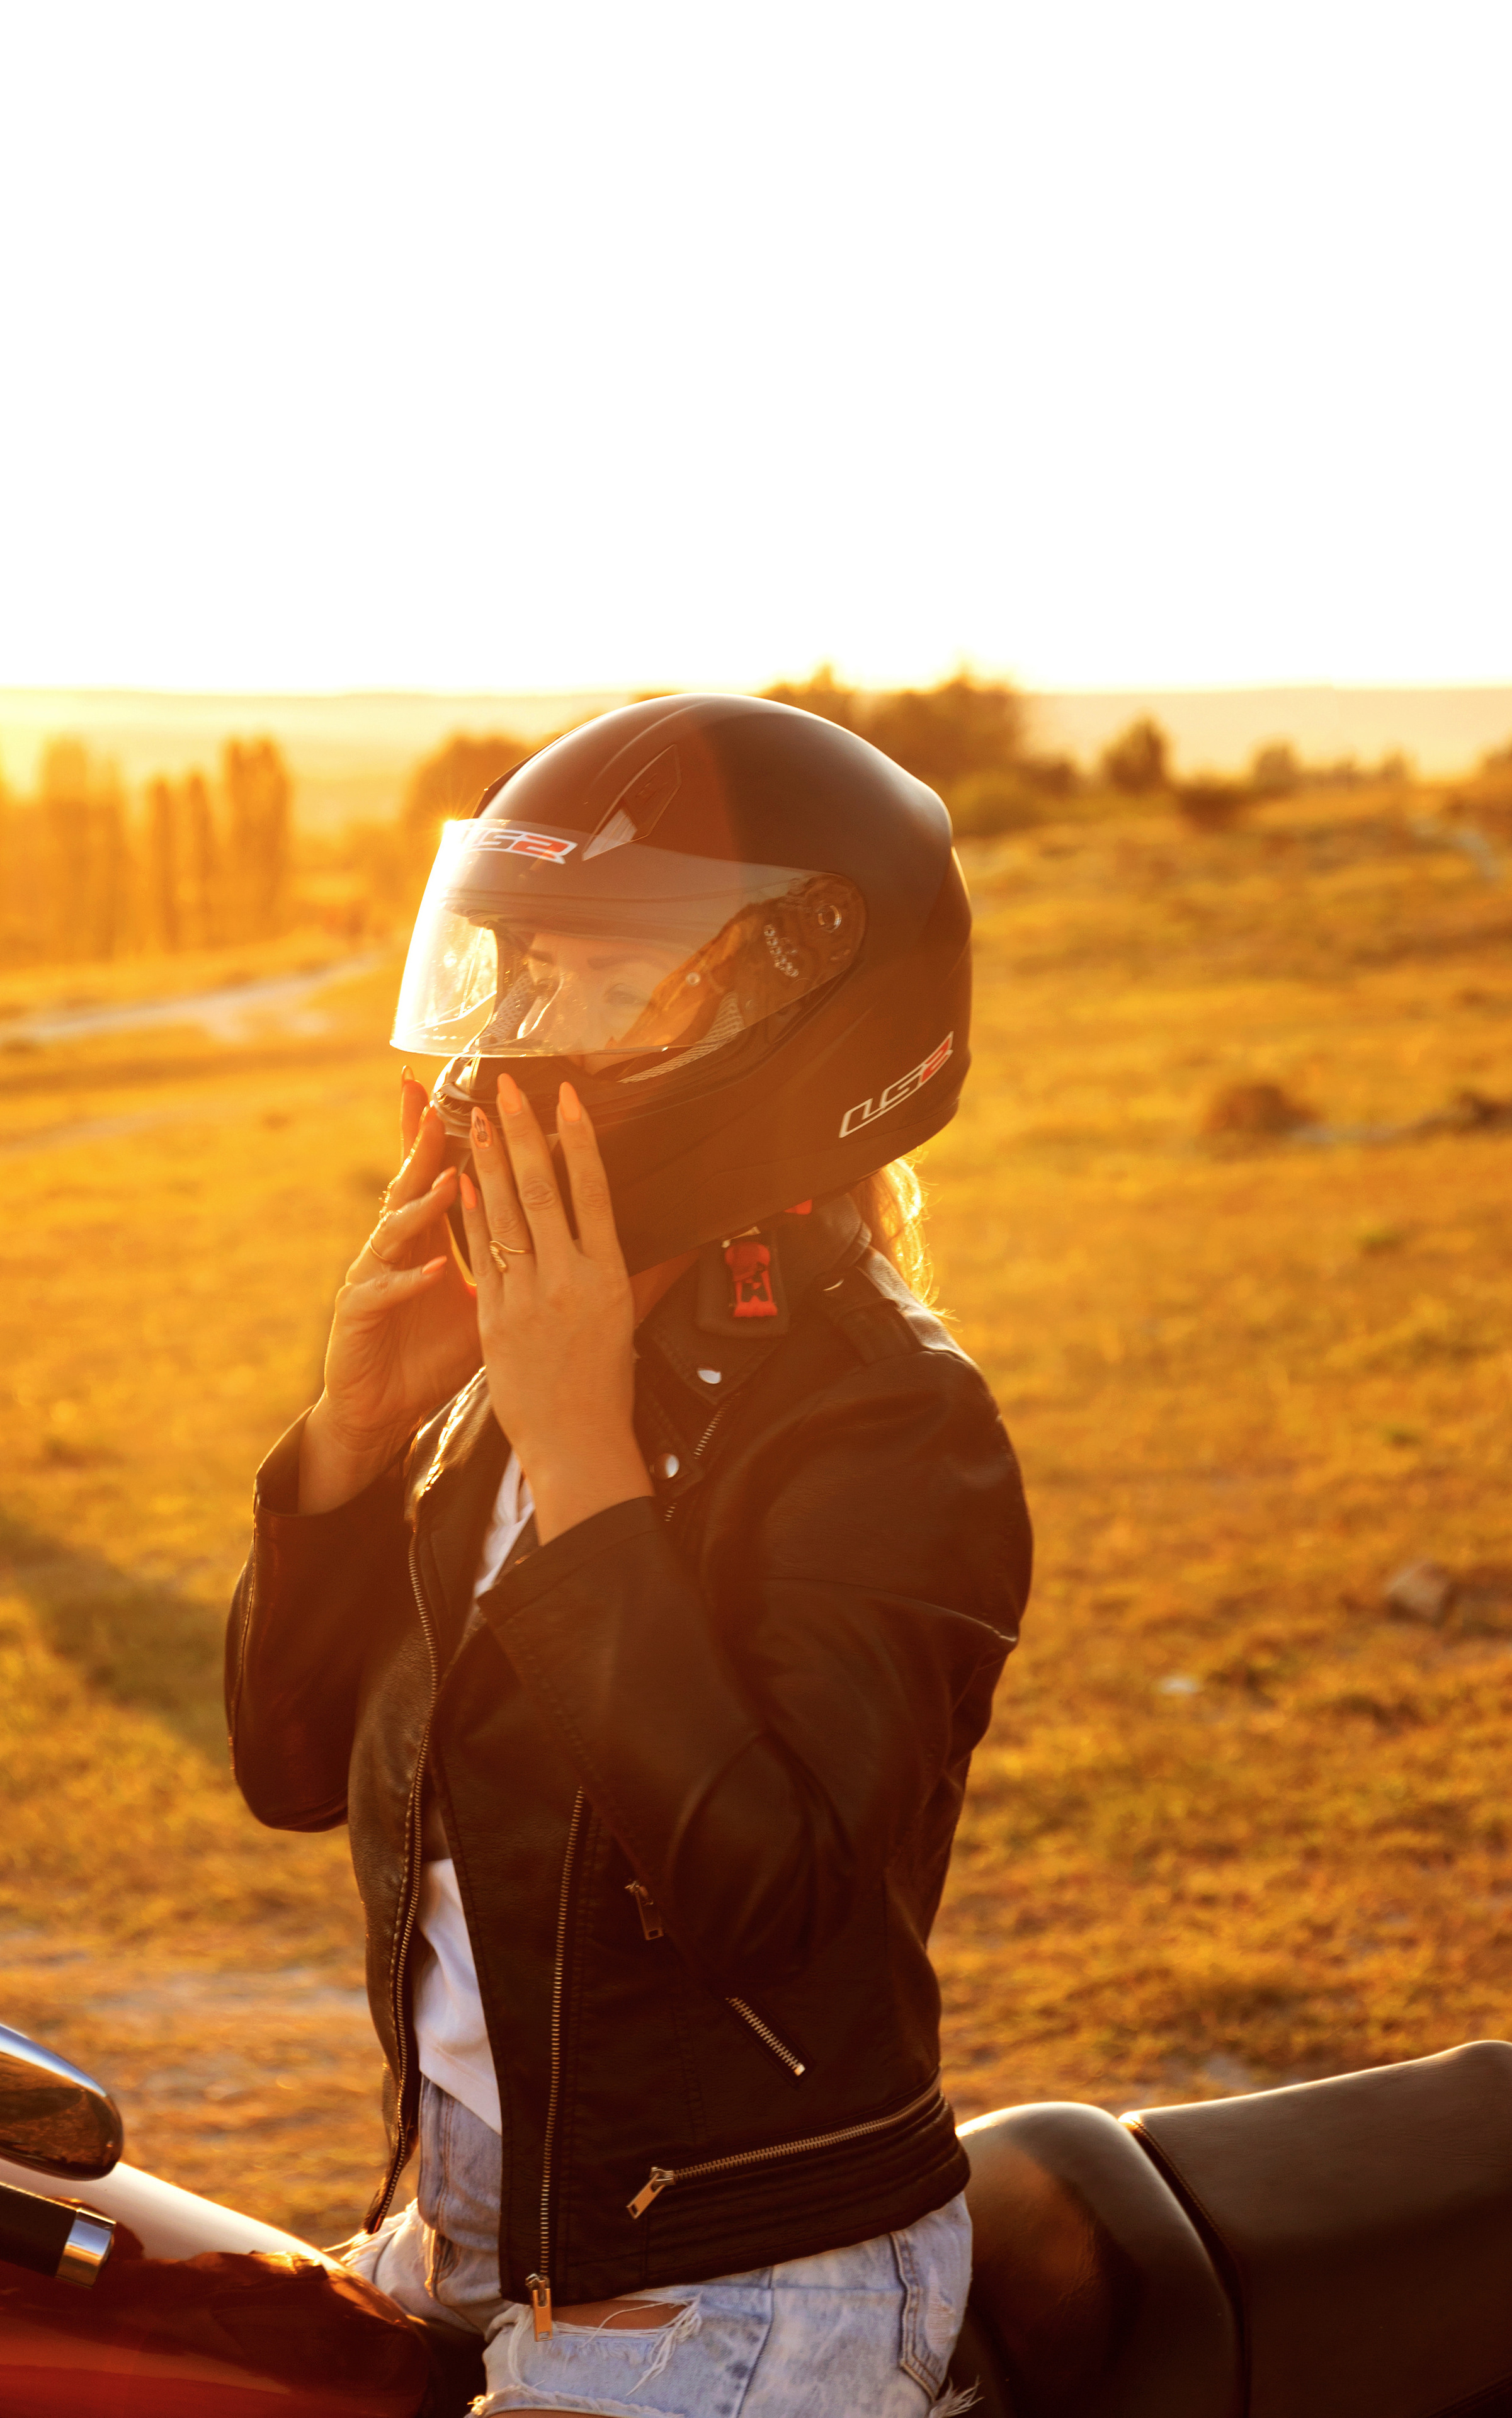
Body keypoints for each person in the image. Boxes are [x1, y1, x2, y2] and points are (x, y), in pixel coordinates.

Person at [226, 695, 1032, 2416]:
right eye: (520, 971)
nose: (522, 1040)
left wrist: (585, 1458)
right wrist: (355, 1435)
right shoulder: (528, 1347)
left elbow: (774, 1904)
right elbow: (293, 1773)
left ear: (794, 1015)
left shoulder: (891, 1425)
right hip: (483, 2223)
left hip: (741, 2284)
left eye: (608, 983)